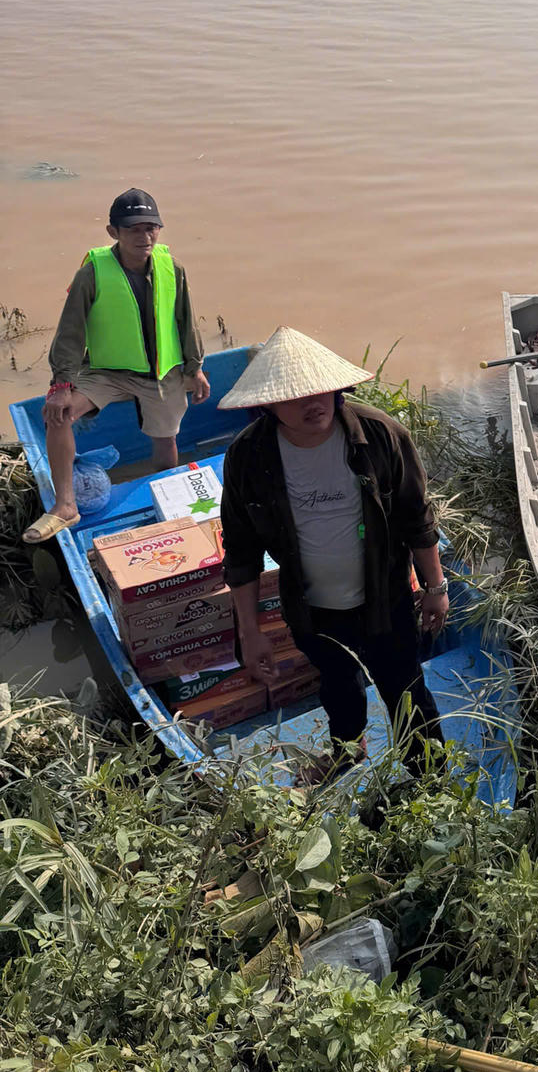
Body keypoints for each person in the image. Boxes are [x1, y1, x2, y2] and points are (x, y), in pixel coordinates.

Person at [218, 326, 446, 785]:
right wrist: (251, 632)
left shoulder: (381, 436)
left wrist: (437, 588)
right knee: (338, 684)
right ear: (267, 404)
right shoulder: (249, 457)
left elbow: (415, 518)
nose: (313, 402)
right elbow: (240, 552)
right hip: (311, 607)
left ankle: (429, 777)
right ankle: (349, 749)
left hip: (386, 597)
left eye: (321, 388)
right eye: (295, 395)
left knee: (404, 687)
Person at [23, 189, 208, 543]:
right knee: (58, 414)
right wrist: (61, 385)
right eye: (134, 229)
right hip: (107, 371)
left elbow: (186, 320)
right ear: (113, 232)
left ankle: (167, 500)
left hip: (160, 373)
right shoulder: (92, 273)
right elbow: (70, 331)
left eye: (151, 227)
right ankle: (65, 506)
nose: (145, 236)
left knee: (166, 441)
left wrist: (195, 367)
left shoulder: (173, 268)